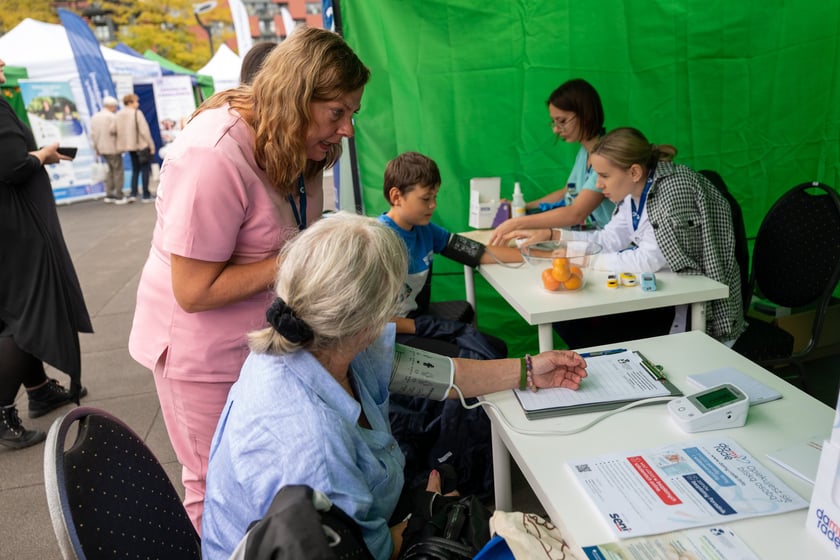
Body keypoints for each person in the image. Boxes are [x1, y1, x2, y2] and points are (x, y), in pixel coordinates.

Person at [201, 212, 588, 560]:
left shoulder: (320, 341)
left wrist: (528, 371)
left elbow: (441, 374)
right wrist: (428, 516)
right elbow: (366, 552)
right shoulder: (314, 449)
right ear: (372, 320)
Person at [128, 27, 369, 533]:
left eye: (353, 114)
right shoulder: (212, 154)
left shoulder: (297, 141)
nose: (347, 129)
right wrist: (304, 255)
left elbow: (292, 227)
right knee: (217, 482)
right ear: (296, 97)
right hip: (202, 353)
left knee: (270, 478)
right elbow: (193, 291)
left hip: (261, 339)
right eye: (337, 113)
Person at [501, 127, 746, 349]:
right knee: (568, 320)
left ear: (634, 172)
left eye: (604, 175)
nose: (598, 184)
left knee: (578, 324)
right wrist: (555, 236)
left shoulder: (674, 190)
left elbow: (650, 259)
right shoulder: (634, 193)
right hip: (668, 298)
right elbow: (609, 238)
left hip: (696, 307)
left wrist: (585, 260)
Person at [378, 151, 523, 498]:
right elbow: (366, 319)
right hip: (390, 337)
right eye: (425, 198)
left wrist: (538, 255)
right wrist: (420, 328)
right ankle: (462, 466)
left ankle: (487, 452)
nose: (433, 205)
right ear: (397, 196)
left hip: (416, 326)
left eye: (435, 197)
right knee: (475, 359)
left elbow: (474, 252)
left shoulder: (425, 231)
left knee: (495, 347)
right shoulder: (377, 240)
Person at [0, 58, 90, 450]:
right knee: (28, 312)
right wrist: (43, 155)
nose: (3, 60)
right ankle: (2, 411)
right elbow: (12, 166)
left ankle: (38, 389)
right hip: (15, 229)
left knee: (15, 310)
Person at [488, 79, 615, 246]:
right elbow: (568, 192)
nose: (556, 129)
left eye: (562, 121)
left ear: (585, 114)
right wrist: (524, 207)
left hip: (610, 243)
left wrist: (517, 223)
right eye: (554, 122)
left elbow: (576, 213)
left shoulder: (607, 156)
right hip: (588, 237)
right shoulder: (584, 153)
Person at [115, 93, 155, 202]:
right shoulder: (137, 113)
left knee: (135, 169)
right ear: (130, 102)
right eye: (136, 101)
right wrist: (151, 145)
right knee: (145, 169)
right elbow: (144, 131)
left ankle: (133, 193)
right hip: (141, 145)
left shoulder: (119, 114)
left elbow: (113, 129)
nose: (138, 103)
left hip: (130, 146)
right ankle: (146, 194)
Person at [89, 95, 127, 205]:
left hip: (102, 148)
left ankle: (109, 194)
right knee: (118, 171)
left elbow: (93, 135)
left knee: (110, 170)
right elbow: (115, 131)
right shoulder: (112, 117)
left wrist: (96, 148)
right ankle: (119, 195)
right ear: (111, 106)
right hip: (113, 148)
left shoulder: (95, 117)